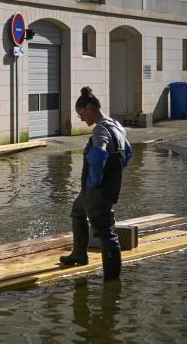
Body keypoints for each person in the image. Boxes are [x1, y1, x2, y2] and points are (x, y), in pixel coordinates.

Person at [59, 86, 132, 281]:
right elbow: (128, 151)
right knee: (78, 210)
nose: (81, 119)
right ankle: (79, 254)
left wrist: (96, 178)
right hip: (101, 187)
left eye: (81, 114)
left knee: (105, 231)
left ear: (90, 107)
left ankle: (112, 280)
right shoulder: (116, 124)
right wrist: (115, 172)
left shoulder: (101, 129)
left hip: (97, 188)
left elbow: (98, 153)